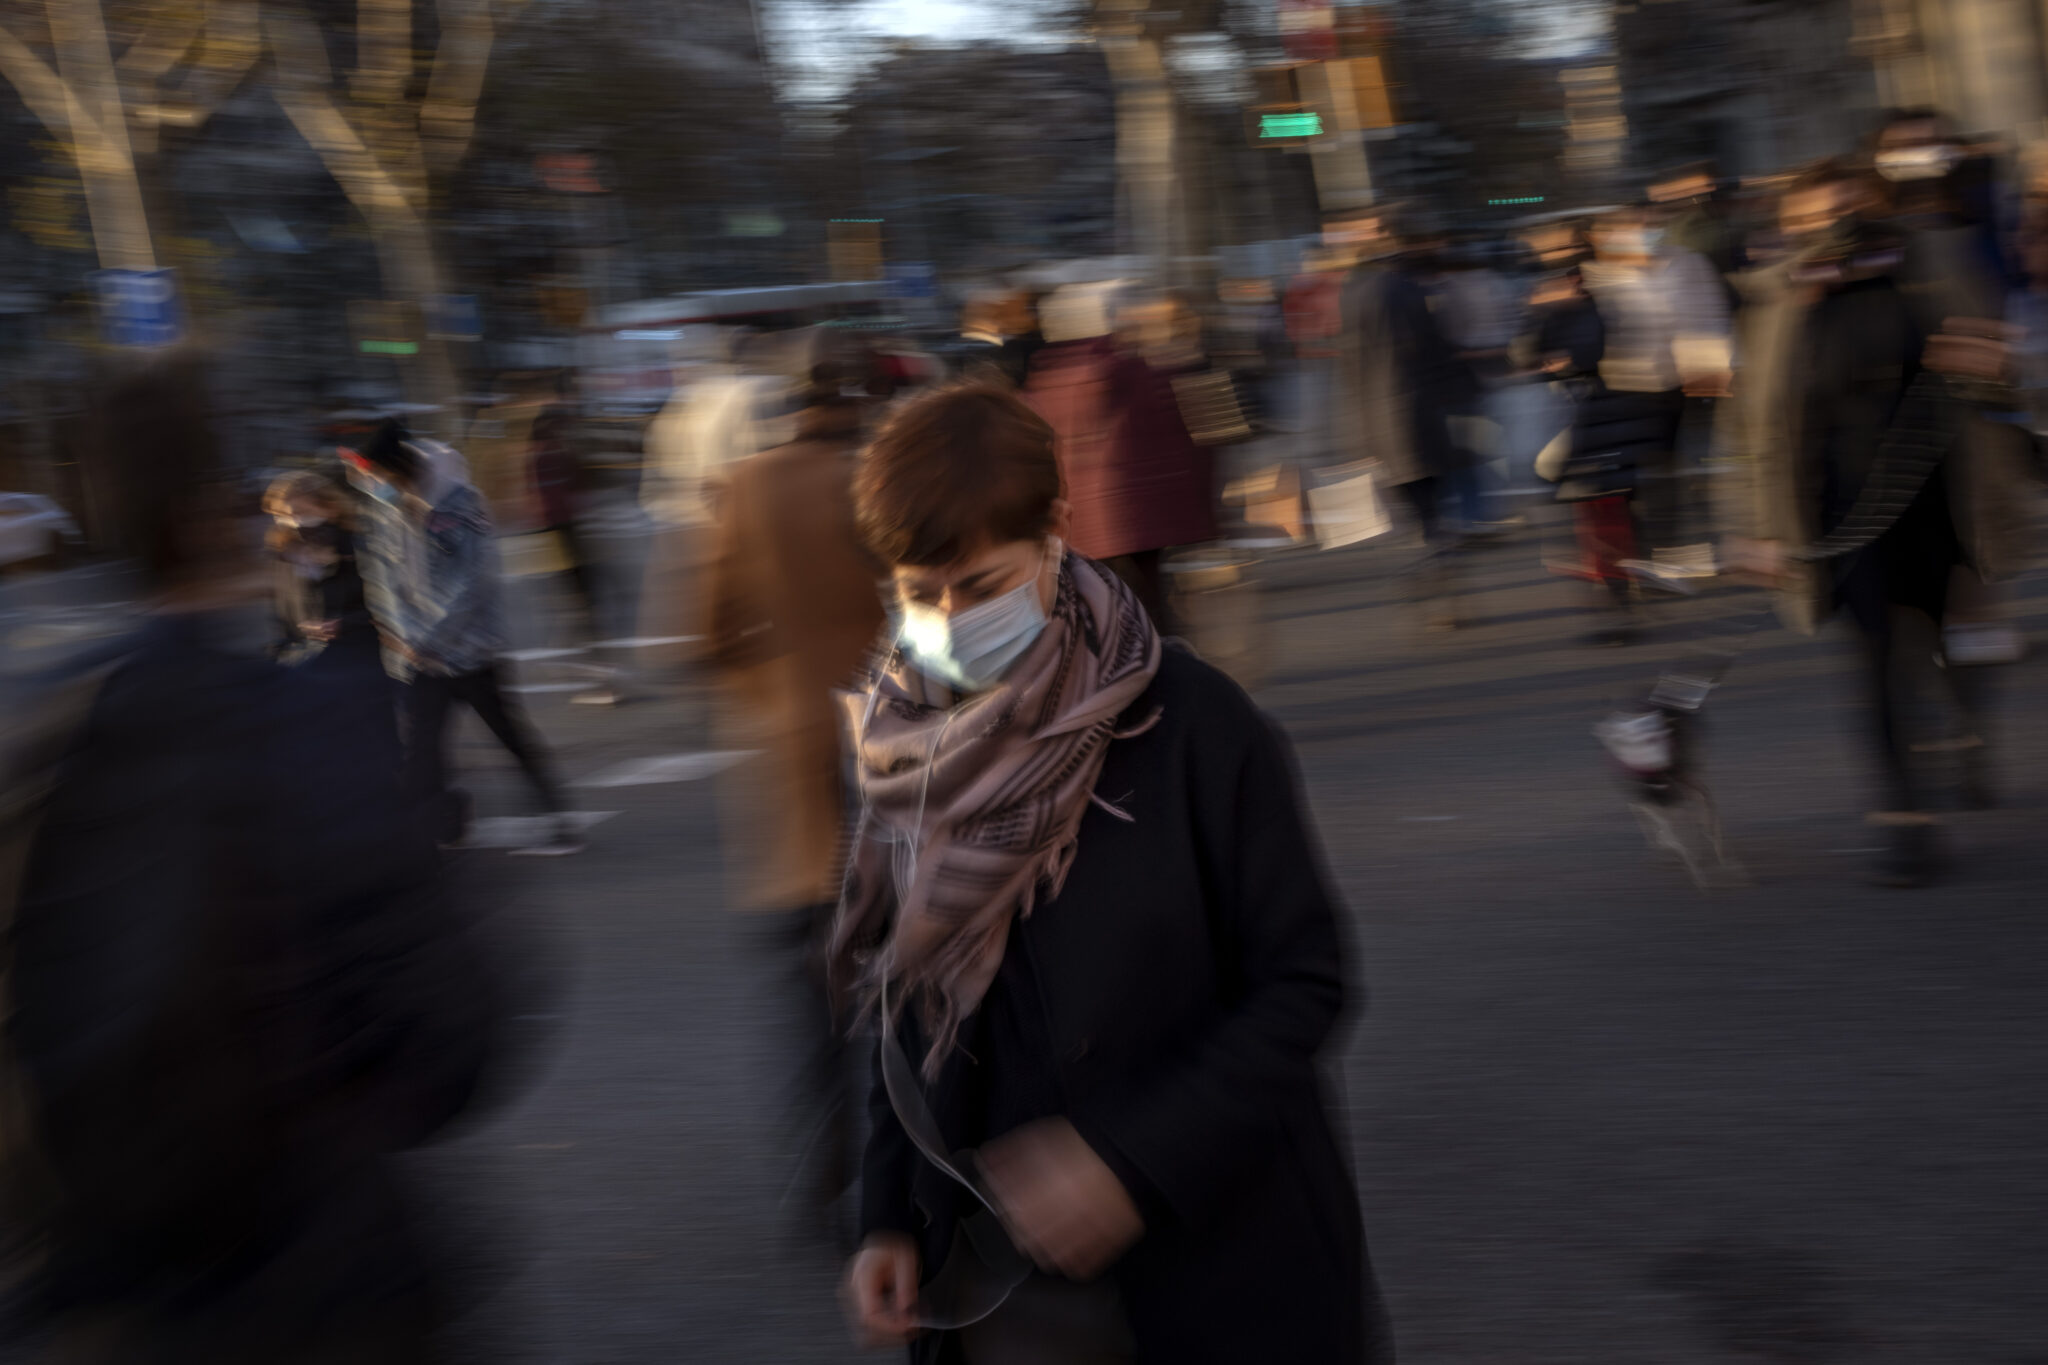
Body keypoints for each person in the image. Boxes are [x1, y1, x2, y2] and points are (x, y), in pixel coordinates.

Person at [835, 382, 1386, 1364]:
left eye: (983, 584)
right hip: (1001, 1278)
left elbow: (1303, 983)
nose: (949, 623)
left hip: (1223, 1249)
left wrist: (1124, 1161)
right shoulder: (903, 747)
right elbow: (905, 1002)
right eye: (919, 593)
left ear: (1056, 527)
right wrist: (888, 1213)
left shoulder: (1193, 722)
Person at [9, 350, 507, 1362]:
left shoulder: (41, 748)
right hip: (324, 1274)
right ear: (217, 512)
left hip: (120, 1298)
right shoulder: (307, 727)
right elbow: (455, 1031)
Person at [1723, 158, 2038, 884]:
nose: (1832, 230)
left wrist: (1990, 366)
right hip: (1843, 514)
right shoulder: (1777, 302)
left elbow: (2008, 372)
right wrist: (1756, 529)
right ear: (1788, 227)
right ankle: (1905, 817)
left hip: (1945, 503)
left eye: (1846, 212)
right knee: (1881, 658)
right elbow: (1749, 429)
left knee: (1952, 643)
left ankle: (1965, 732)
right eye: (1810, 220)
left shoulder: (1930, 265)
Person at [702, 361, 887, 1246]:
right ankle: (928, 1169)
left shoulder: (747, 484)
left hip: (795, 760)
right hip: (891, 737)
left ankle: (822, 1171)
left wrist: (769, 690)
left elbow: (710, 624)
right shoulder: (878, 476)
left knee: (816, 987)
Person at [347, 418, 583, 856]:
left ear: (401, 467)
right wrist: (404, 636)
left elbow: (474, 580)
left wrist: (430, 636)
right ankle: (442, 829)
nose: (377, 486)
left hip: (472, 651)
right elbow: (379, 577)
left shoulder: (459, 501)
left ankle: (556, 815)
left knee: (508, 735)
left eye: (381, 476)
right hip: (418, 658)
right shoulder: (380, 506)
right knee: (422, 752)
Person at [1026, 284, 1215, 634]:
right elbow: (1178, 433)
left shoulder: (1046, 378)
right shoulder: (1135, 368)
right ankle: (1165, 654)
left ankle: (1137, 654)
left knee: (1107, 602)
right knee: (1149, 599)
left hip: (1082, 516)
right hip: (1138, 513)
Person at [1332, 208, 1478, 630]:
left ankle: (1435, 579)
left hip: (1383, 420)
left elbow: (1353, 367)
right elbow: (1440, 351)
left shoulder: (1356, 293)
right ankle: (1441, 579)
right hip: (1426, 413)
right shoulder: (1416, 288)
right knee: (1434, 508)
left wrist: (1357, 434)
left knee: (1415, 513)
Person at [1579, 204, 1732, 582]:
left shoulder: (1687, 263)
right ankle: (1628, 555)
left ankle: (1661, 555)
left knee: (1665, 474)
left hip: (1675, 385)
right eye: (1632, 227)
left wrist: (1715, 368)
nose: (1644, 233)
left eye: (1649, 226)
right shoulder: (1595, 275)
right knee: (1625, 481)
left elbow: (1709, 316)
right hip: (1621, 387)